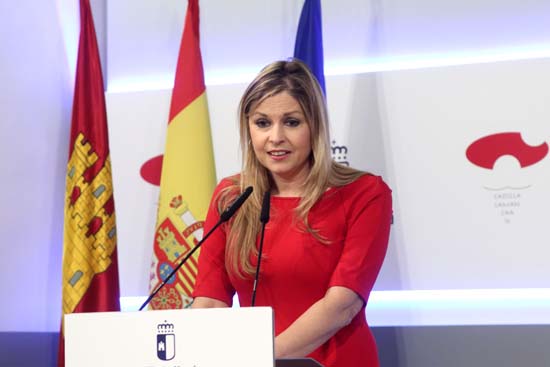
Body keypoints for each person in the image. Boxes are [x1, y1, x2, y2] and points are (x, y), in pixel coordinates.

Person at [192, 59, 392, 367]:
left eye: (292, 122)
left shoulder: (364, 193)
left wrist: (262, 357)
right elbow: (209, 300)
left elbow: (342, 306)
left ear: (315, 126)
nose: (275, 137)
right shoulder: (231, 196)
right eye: (262, 123)